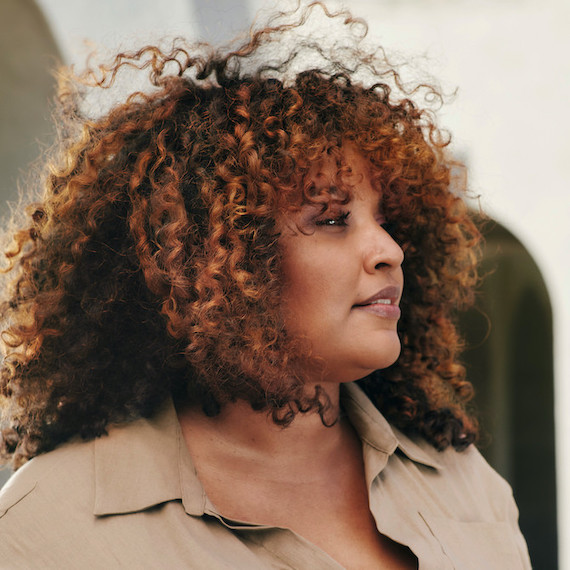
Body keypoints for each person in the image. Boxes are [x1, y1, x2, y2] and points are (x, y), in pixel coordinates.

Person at [0, 3, 531, 568]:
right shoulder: (49, 530)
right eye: (331, 219)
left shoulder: (466, 483)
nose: (390, 251)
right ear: (214, 257)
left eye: (387, 220)